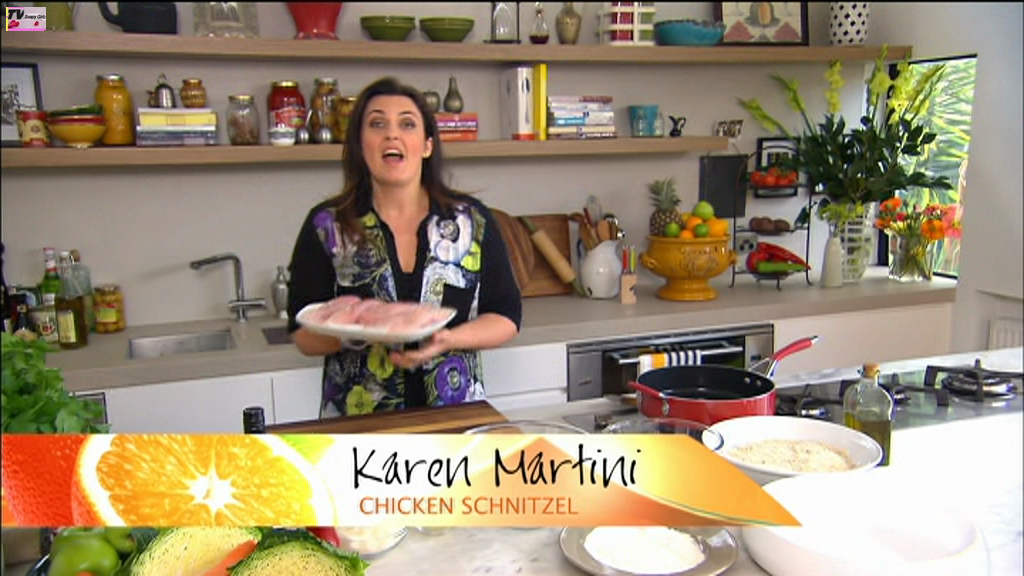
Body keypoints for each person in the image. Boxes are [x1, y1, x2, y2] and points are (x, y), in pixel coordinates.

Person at [286, 76, 522, 418]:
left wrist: (448, 339)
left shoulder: (473, 221)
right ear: (360, 145)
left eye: (407, 124)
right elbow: (302, 334)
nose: (392, 134)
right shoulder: (327, 226)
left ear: (427, 145)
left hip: (455, 418)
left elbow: (506, 316)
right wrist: (357, 332)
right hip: (359, 424)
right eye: (377, 123)